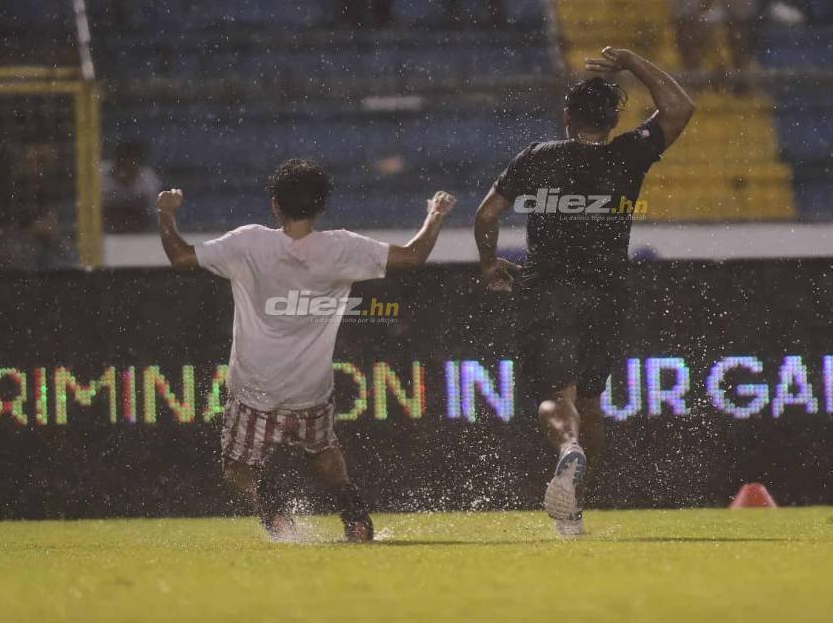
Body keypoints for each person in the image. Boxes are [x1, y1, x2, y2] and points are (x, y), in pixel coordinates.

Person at [156, 159, 457, 541]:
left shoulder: (248, 243)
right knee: (322, 451)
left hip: (255, 390)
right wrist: (435, 215)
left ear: (275, 206)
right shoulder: (342, 248)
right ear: (322, 206)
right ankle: (354, 514)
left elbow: (180, 256)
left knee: (236, 467)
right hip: (310, 390)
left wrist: (166, 215)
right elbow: (413, 257)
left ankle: (272, 506)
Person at [473, 47, 695, 536]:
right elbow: (680, 108)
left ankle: (567, 451)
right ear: (615, 120)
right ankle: (574, 504)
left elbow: (487, 215)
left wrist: (490, 266)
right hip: (607, 294)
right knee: (591, 399)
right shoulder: (629, 154)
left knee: (556, 397)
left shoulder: (537, 158)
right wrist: (634, 61)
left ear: (568, 115)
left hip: (546, 292)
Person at [102, 139, 161, 233]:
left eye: (131, 162)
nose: (126, 166)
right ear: (115, 161)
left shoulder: (148, 177)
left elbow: (153, 214)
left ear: (138, 163)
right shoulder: (101, 174)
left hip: (138, 228)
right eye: (122, 161)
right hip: (107, 227)